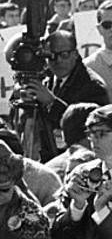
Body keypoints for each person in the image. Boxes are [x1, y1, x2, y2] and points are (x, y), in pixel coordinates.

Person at [20, 30, 110, 160]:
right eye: (51, 56)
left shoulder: (92, 85)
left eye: (64, 55)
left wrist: (52, 103)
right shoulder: (47, 79)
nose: (57, 61)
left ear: (75, 54)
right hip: (50, 156)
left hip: (82, 159)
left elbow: (93, 128)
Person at [51, 103, 112, 239]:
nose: (93, 140)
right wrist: (76, 207)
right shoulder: (81, 173)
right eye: (90, 133)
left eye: (101, 134)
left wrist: (101, 210)